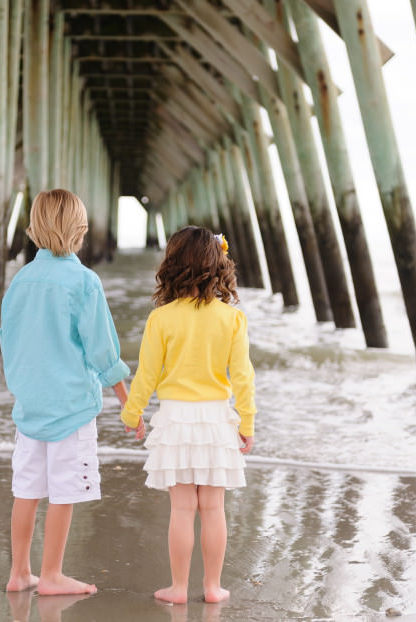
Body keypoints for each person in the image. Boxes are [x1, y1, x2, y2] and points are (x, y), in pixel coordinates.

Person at [0, 189, 133, 595]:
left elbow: (8, 338)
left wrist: (22, 386)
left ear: (34, 228)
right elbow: (103, 351)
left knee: (27, 491)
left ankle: (19, 573)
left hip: (30, 407)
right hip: (71, 409)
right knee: (63, 492)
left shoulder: (20, 281)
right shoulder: (84, 282)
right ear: (81, 230)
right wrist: (129, 404)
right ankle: (52, 574)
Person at [121, 226, 256, 604]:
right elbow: (243, 377)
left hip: (177, 421)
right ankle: (212, 588)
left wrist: (132, 414)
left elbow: (146, 375)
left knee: (182, 509)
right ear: (218, 265)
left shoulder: (161, 319)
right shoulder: (231, 319)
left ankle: (178, 588)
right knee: (213, 508)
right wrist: (247, 423)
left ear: (173, 265)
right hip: (216, 422)